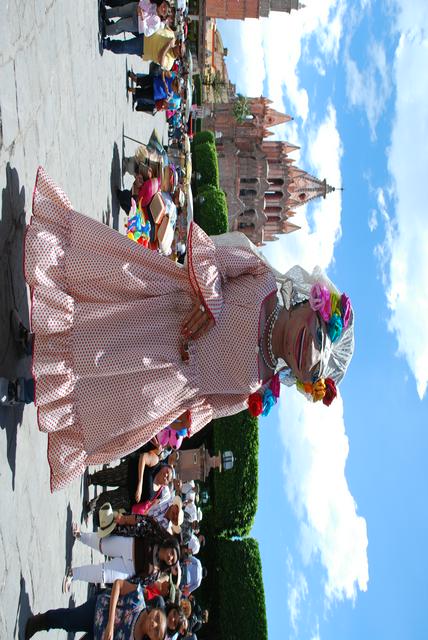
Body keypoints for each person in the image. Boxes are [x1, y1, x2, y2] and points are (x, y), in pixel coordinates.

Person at [24, 168, 355, 491]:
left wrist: (180, 422)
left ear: (302, 379)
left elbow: (210, 405)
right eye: (319, 335)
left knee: (102, 391)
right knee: (97, 325)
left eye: (314, 367)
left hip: (162, 384)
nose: (310, 350)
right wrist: (210, 302)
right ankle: (32, 342)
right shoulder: (263, 278)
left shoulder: (257, 385)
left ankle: (23, 388)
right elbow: (216, 257)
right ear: (310, 304)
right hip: (164, 310)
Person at [65, 505, 180, 589]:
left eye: (172, 560)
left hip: (128, 569)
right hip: (128, 544)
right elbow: (144, 521)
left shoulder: (157, 574)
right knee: (102, 544)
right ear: (170, 545)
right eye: (172, 553)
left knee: (103, 575)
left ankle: (74, 574)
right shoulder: (157, 535)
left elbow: (139, 583)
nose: (170, 557)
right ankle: (81, 535)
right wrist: (125, 519)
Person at [24, 578, 166, 639]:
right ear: (155, 611)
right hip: (98, 611)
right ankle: (41, 622)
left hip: (98, 637)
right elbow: (118, 585)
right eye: (157, 618)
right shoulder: (138, 599)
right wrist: (110, 624)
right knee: (67, 621)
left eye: (156, 631)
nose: (154, 624)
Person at [87, 457, 173, 513]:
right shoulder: (156, 463)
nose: (166, 475)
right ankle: (92, 479)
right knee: (111, 477)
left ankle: (94, 505)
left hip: (129, 496)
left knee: (110, 500)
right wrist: (140, 484)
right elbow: (143, 458)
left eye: (168, 477)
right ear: (165, 467)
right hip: (129, 472)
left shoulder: (159, 494)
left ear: (166, 484)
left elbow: (148, 506)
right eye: (167, 472)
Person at [103, 26, 184, 71]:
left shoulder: (170, 63)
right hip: (146, 30)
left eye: (179, 47)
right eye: (179, 44)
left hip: (144, 46)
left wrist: (168, 45)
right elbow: (165, 26)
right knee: (126, 25)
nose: (178, 45)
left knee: (124, 47)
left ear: (179, 55)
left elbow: (160, 59)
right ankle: (111, 26)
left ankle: (108, 44)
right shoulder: (172, 37)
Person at [104, 0, 170, 37]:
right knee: (119, 11)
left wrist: (142, 17)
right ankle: (104, 14)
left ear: (164, 16)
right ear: (163, 2)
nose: (163, 8)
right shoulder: (155, 2)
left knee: (120, 25)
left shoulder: (157, 23)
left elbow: (147, 33)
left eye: (164, 11)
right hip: (135, 7)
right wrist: (140, 4)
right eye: (164, 6)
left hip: (136, 23)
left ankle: (105, 31)